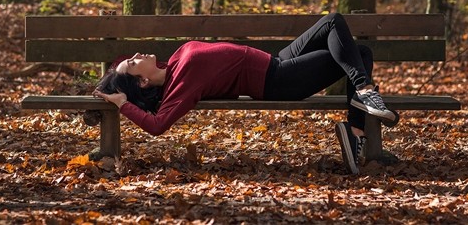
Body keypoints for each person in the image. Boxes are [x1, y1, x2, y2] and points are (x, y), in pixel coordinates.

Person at [93, 13, 395, 174]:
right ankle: (364, 100)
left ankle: (355, 127)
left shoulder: (173, 65)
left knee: (355, 45)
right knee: (339, 29)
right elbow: (157, 125)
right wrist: (122, 103)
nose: (134, 55)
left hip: (275, 61)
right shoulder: (180, 86)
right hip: (277, 80)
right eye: (131, 64)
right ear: (142, 82)